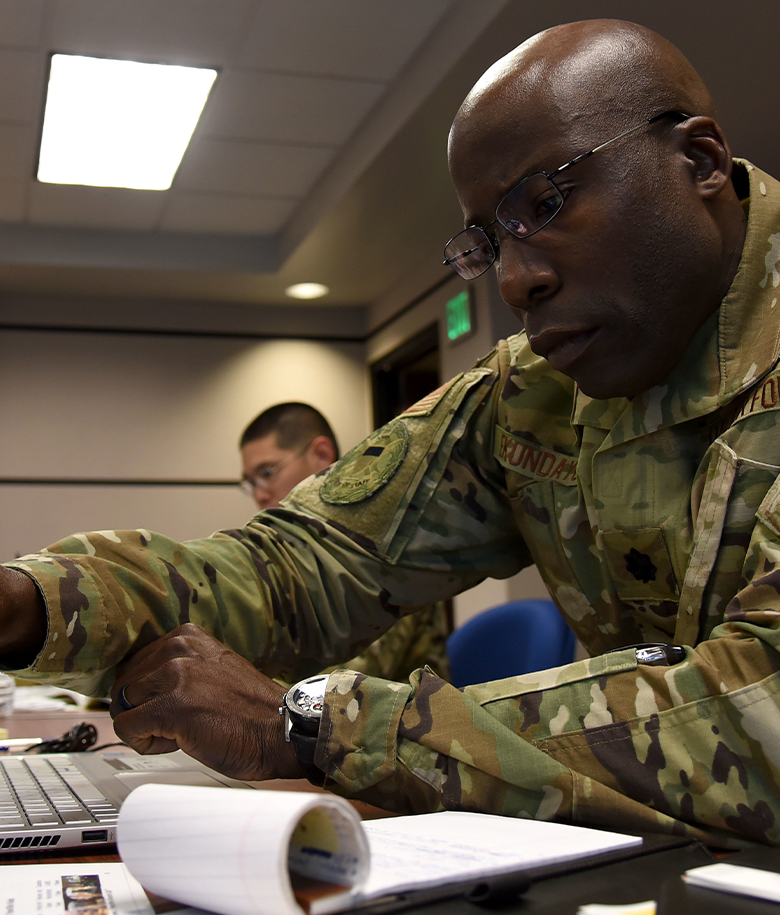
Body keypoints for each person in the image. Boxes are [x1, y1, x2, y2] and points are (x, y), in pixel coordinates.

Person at [1, 18, 778, 847]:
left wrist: (317, 724)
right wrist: (27, 605)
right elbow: (299, 567)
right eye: (488, 242)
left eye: (544, 204)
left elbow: (759, 707)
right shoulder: (531, 395)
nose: (517, 280)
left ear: (696, 161)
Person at [238, 401, 451, 681]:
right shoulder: (299, 550)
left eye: (266, 473)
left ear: (322, 455)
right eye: (250, 482)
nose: (260, 495)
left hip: (403, 718)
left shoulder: (381, 537)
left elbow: (347, 681)